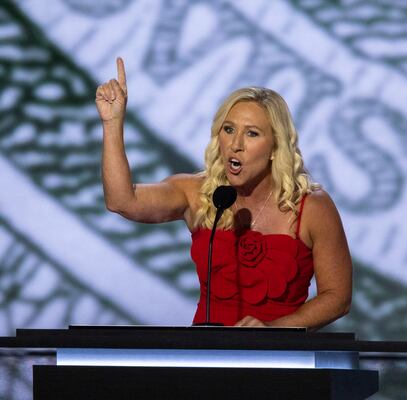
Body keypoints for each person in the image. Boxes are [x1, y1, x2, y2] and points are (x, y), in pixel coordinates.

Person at [95, 58, 352, 330]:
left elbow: (338, 297)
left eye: (252, 134)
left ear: (276, 148)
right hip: (207, 358)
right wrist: (112, 123)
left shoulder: (311, 207)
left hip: (279, 361)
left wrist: (275, 331)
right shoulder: (198, 192)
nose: (235, 144)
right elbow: (122, 201)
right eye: (229, 130)